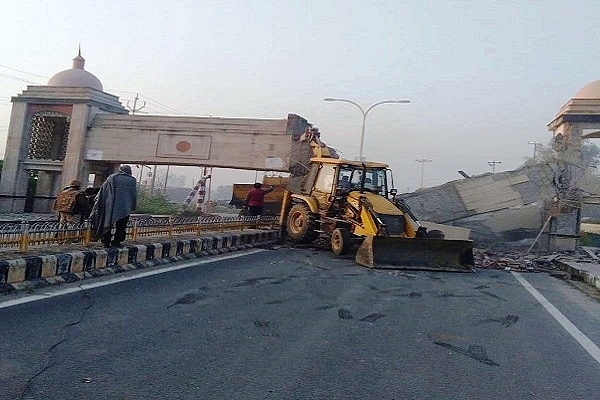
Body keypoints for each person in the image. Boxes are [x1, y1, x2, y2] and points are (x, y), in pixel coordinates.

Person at [89, 165, 137, 248]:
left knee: (107, 222)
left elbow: (104, 191)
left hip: (110, 205)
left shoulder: (112, 177)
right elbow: (134, 194)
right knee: (121, 226)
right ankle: (117, 242)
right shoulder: (132, 180)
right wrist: (133, 205)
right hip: (125, 207)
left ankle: (106, 241)